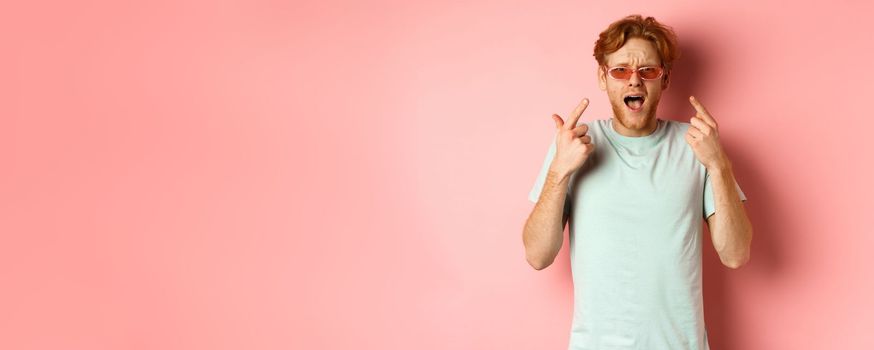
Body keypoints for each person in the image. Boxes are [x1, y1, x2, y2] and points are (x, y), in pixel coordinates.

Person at [523, 14, 753, 350]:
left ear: (665, 79)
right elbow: (537, 256)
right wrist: (559, 171)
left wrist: (718, 164)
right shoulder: (574, 146)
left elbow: (736, 254)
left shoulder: (697, 145)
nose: (634, 81)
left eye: (648, 70)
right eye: (620, 70)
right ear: (603, 78)